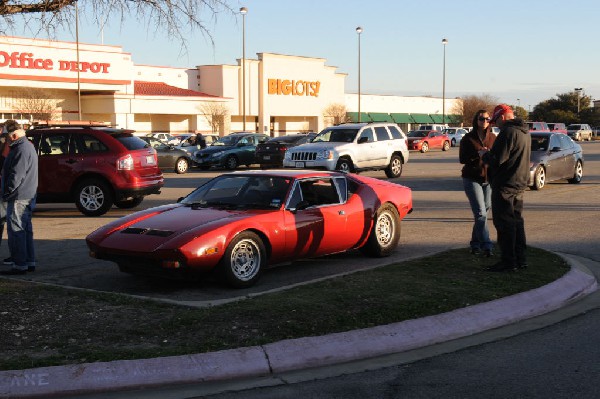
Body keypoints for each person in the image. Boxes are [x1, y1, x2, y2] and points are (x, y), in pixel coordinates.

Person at [479, 104, 531, 272]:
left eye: (496, 121)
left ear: (502, 117)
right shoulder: (524, 132)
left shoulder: (508, 133)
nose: (495, 125)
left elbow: (497, 160)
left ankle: (508, 261)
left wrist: (485, 155)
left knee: (504, 223)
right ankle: (520, 258)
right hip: (520, 181)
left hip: (505, 184)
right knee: (517, 221)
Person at [1, 120, 38, 275]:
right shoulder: (27, 146)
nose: (6, 140)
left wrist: (7, 193)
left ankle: (19, 264)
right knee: (25, 230)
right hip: (27, 195)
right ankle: (28, 262)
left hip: (19, 197)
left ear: (14, 135)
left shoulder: (20, 149)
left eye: (7, 137)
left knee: (16, 231)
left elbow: (16, 176)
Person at [459, 110, 496, 256]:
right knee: (480, 212)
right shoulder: (468, 138)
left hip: (488, 180)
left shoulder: (493, 137)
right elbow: (462, 159)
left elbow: (497, 156)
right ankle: (487, 245)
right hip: (472, 178)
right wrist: (478, 154)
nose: (485, 121)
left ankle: (475, 244)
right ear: (476, 120)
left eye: (487, 119)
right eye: (482, 119)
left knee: (484, 213)